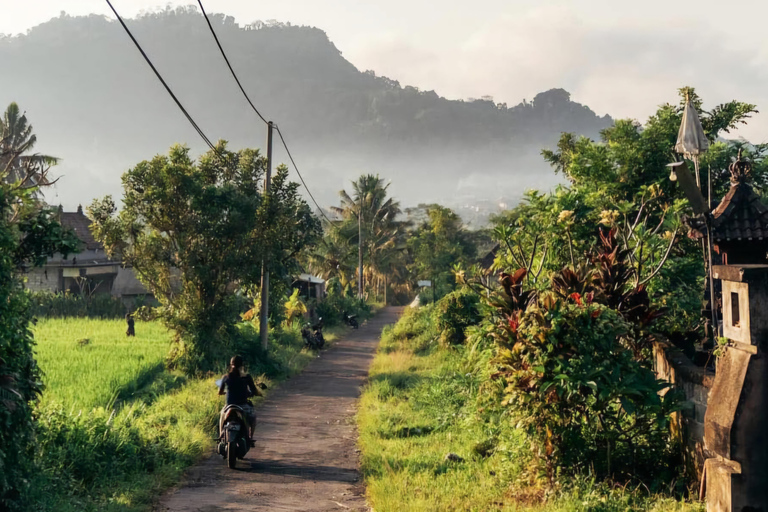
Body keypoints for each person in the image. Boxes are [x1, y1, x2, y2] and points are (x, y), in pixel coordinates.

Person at [218, 355, 260, 444]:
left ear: (230, 365)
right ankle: (250, 437)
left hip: (229, 405)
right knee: (253, 418)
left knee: (222, 416)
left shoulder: (225, 377)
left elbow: (220, 392)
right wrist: (259, 394)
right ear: (242, 365)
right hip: (243, 406)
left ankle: (221, 435)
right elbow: (254, 390)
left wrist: (225, 393)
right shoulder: (246, 377)